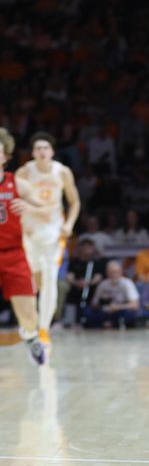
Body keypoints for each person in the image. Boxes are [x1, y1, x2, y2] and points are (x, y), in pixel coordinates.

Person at [16, 131, 81, 347]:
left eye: (46, 148)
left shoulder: (62, 172)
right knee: (33, 280)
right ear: (32, 153)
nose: (42, 152)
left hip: (53, 230)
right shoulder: (24, 172)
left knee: (51, 277)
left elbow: (75, 202)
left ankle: (44, 328)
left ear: (52, 151)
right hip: (30, 229)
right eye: (38, 148)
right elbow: (14, 202)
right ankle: (30, 323)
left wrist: (69, 224)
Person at [0, 128, 47, 364]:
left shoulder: (17, 185)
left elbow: (47, 210)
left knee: (29, 315)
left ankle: (30, 337)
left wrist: (30, 209)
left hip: (13, 254)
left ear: (5, 156)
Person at [84, 260, 140, 329]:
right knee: (88, 312)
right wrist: (103, 302)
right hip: (105, 311)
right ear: (107, 273)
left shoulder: (127, 283)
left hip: (121, 310)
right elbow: (94, 303)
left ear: (121, 272)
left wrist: (118, 307)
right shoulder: (103, 284)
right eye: (111, 272)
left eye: (116, 272)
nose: (114, 275)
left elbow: (135, 305)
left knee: (128, 315)